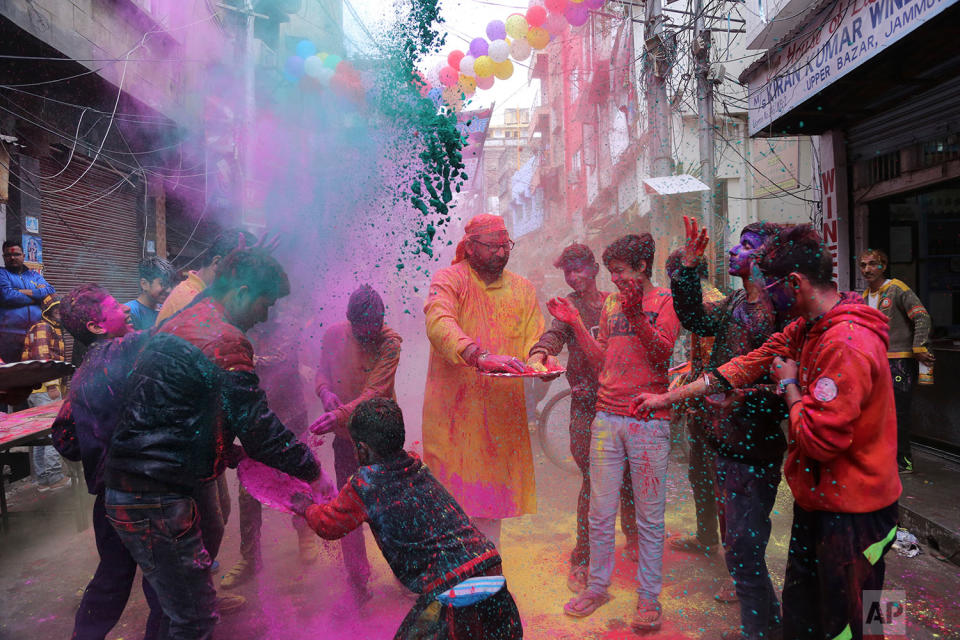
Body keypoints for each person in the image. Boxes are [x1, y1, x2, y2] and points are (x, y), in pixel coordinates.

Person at [635, 224, 901, 640]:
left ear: (794, 283)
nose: (767, 293)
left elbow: (818, 438)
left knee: (868, 618)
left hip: (859, 512)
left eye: (771, 283)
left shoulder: (846, 342)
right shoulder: (806, 326)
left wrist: (790, 385)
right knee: (804, 614)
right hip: (820, 501)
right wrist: (667, 399)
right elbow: (751, 361)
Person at [104, 249, 325, 639]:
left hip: (133, 485)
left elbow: (178, 408)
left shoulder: (184, 320)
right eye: (264, 304)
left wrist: (228, 452)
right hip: (156, 494)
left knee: (173, 611)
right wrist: (315, 473)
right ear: (241, 293)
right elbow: (259, 428)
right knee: (194, 620)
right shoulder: (223, 340)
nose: (265, 316)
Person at [292, 397, 523, 640]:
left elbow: (328, 525)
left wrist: (306, 507)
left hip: (453, 585)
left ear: (362, 448)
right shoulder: (414, 464)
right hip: (487, 563)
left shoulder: (365, 484)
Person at [553, 234, 680, 632]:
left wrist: (637, 316)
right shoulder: (610, 303)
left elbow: (662, 353)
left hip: (647, 419)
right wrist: (575, 323)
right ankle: (597, 586)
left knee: (648, 518)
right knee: (600, 511)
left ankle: (648, 599)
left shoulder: (664, 302)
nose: (616, 279)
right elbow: (600, 359)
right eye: (611, 273)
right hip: (606, 417)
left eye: (621, 272)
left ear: (642, 268)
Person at [669, 218, 787, 640]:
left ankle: (762, 629)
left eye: (746, 246)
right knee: (740, 548)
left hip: (755, 446)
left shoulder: (782, 312)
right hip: (725, 439)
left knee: (745, 548)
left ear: (767, 259)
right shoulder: (735, 303)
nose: (735, 252)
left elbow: (791, 385)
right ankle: (765, 626)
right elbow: (694, 319)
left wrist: (747, 396)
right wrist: (686, 269)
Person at [421, 213, 544, 549]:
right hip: (452, 422)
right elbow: (438, 322)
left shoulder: (523, 289)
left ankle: (486, 584)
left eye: (506, 246)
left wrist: (539, 362)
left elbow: (534, 341)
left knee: (490, 514)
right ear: (471, 247)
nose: (502, 253)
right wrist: (477, 355)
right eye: (493, 246)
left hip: (500, 422)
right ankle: (448, 582)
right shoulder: (449, 280)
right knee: (449, 509)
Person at [51, 284, 165, 640]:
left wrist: (97, 449)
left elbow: (64, 439)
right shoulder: (125, 351)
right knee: (165, 585)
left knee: (112, 580)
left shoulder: (84, 370)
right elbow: (174, 329)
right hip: (142, 493)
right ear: (97, 327)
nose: (127, 310)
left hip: (108, 499)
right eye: (116, 306)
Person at [525, 243, 638, 592]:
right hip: (586, 406)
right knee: (592, 482)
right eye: (568, 272)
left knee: (631, 475)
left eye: (579, 269)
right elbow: (554, 335)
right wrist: (540, 354)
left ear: (593, 269)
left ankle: (632, 536)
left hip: (621, 403)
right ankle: (583, 559)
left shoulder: (616, 302)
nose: (574, 278)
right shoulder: (567, 308)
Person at [306, 284, 402, 601]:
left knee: (389, 510)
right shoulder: (334, 335)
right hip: (346, 439)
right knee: (350, 507)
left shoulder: (390, 343)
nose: (370, 334)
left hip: (381, 438)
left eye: (375, 326)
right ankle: (358, 581)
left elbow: (375, 391)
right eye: (363, 329)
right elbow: (321, 371)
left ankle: (405, 573)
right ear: (350, 322)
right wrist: (325, 393)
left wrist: (339, 415)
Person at [218, 311, 316, 591]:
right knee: (247, 490)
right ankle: (250, 558)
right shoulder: (239, 332)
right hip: (253, 420)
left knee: (297, 481)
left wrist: (233, 359)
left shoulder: (289, 326)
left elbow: (281, 361)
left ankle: (305, 534)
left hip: (290, 416)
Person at [662, 249, 726, 561]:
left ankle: (734, 562)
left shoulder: (708, 302)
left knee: (717, 480)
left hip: (717, 406)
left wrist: (686, 392)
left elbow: (718, 366)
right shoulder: (701, 298)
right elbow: (699, 360)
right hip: (703, 404)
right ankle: (706, 538)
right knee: (700, 473)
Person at [859, 248, 933, 474]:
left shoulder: (897, 288)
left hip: (898, 361)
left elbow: (921, 316)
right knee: (876, 414)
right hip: (875, 364)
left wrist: (919, 346)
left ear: (884, 265)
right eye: (863, 265)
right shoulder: (863, 297)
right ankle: (884, 459)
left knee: (897, 413)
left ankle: (903, 462)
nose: (867, 269)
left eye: (873, 264)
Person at [20, 295, 70, 492]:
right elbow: (42, 357)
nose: (58, 311)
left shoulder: (50, 328)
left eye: (60, 308)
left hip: (37, 388)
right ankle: (54, 475)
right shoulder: (44, 327)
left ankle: (43, 479)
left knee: (41, 436)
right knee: (51, 431)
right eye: (54, 308)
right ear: (47, 310)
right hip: (44, 388)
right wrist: (51, 384)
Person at [155, 229, 256, 325]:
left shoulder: (199, 294)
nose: (243, 284)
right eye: (241, 274)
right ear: (217, 263)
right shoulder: (191, 301)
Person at [0, 240, 55, 364]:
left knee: (36, 372)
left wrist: (22, 291)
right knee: (12, 372)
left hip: (36, 334)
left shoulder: (33, 275)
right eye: (8, 255)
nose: (12, 257)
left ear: (23, 256)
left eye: (17, 254)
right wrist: (37, 295)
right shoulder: (2, 274)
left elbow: (50, 290)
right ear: (4, 257)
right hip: (9, 336)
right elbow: (8, 296)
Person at [125, 257, 176, 330]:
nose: (169, 290)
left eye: (170, 285)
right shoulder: (130, 312)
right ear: (144, 284)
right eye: (163, 284)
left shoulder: (165, 310)